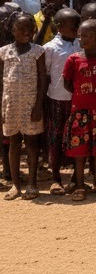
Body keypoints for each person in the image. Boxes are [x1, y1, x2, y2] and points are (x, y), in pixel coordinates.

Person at [62, 19, 96, 200]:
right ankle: (80, 184)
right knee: (79, 151)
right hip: (80, 111)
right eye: (81, 36)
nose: (83, 39)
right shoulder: (73, 59)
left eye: (88, 36)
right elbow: (67, 83)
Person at [0, 12, 46, 199]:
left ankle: (32, 184)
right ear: (13, 30)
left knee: (32, 143)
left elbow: (43, 79)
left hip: (30, 104)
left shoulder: (38, 52)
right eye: (21, 28)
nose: (26, 31)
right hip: (10, 104)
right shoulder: (3, 52)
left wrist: (38, 105)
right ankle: (16, 185)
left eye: (30, 28)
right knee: (14, 143)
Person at [42, 8, 81, 195]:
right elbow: (46, 75)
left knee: (77, 137)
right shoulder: (50, 48)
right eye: (72, 25)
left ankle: (76, 178)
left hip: (78, 100)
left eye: (77, 25)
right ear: (59, 27)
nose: (76, 28)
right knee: (55, 138)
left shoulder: (81, 45)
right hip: (57, 99)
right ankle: (56, 178)